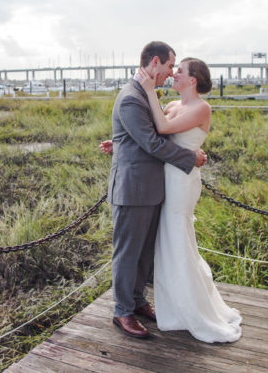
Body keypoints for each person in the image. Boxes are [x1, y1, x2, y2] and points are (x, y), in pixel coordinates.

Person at [100, 41, 207, 339]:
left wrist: (118, 141)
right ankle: (122, 311)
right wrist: (190, 158)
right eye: (170, 66)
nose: (171, 72)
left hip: (151, 189)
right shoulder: (132, 97)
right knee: (127, 253)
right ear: (156, 62)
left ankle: (137, 301)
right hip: (132, 190)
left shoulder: (145, 94)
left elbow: (147, 133)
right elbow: (151, 143)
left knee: (145, 253)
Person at [137, 57, 242, 343]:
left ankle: (192, 310)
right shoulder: (172, 106)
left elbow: (161, 129)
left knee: (179, 239)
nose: (173, 75)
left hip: (182, 181)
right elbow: (148, 132)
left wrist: (148, 90)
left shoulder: (201, 108)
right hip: (166, 178)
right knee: (168, 241)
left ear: (193, 79)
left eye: (179, 72)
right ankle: (174, 306)